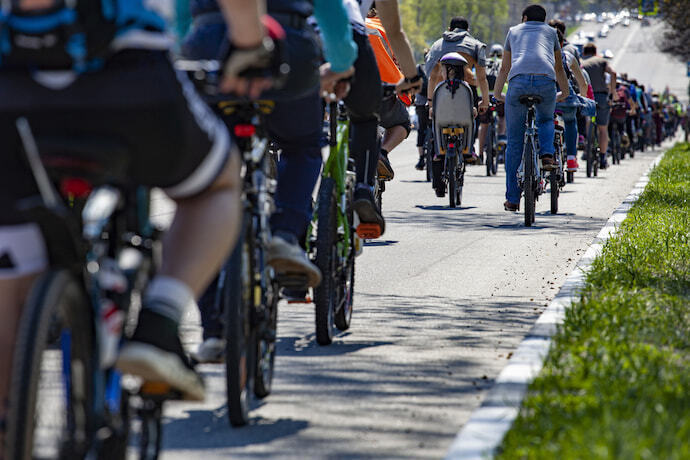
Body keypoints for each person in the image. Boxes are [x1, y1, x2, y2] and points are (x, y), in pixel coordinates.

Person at [0, 0, 280, 447]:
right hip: (128, 77)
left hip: (12, 86)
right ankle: (160, 319)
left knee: (11, 279)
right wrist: (250, 45)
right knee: (218, 184)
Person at [182, 0, 359, 361]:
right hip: (289, 48)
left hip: (208, 46)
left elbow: (179, 15)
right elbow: (332, 14)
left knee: (208, 189)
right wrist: (342, 65)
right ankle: (285, 234)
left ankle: (213, 331)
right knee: (302, 146)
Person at [492, 4, 570, 211]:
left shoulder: (514, 31)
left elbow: (504, 68)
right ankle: (546, 155)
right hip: (546, 82)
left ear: (524, 18)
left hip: (517, 84)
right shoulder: (551, 32)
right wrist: (565, 91)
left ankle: (513, 199)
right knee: (545, 119)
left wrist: (497, 93)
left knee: (515, 142)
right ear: (544, 19)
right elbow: (558, 66)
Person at [425, 16, 489, 195]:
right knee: (471, 118)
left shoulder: (437, 45)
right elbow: (482, 78)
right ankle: (469, 149)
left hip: (440, 93)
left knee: (437, 127)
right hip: (466, 91)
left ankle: (438, 156)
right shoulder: (475, 45)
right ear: (467, 29)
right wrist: (485, 101)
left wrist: (430, 103)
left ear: (449, 28)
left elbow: (431, 76)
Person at [365, 6, 414, 180]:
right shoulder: (385, 27)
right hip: (380, 89)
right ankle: (382, 152)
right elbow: (398, 62)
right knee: (402, 123)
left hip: (344, 87)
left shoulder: (346, 20)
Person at [551, 27, 588, 172]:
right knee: (571, 122)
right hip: (567, 98)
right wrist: (583, 98)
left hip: (547, 96)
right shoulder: (568, 56)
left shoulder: (540, 56)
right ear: (561, 43)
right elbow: (582, 83)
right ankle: (572, 158)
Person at [581, 42, 617, 168]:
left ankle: (587, 146)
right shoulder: (601, 61)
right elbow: (613, 73)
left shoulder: (580, 61)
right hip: (601, 96)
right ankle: (602, 158)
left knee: (587, 121)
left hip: (585, 96)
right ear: (595, 52)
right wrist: (612, 93)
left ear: (584, 52)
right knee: (603, 129)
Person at [476, 43, 507, 163]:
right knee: (502, 116)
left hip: (483, 94)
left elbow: (477, 78)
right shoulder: (503, 63)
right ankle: (501, 136)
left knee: (483, 125)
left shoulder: (486, 62)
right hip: (500, 93)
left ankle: (480, 154)